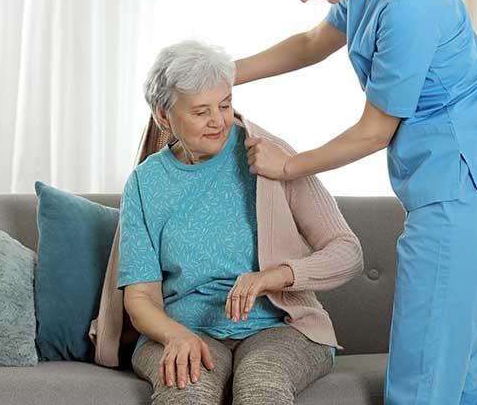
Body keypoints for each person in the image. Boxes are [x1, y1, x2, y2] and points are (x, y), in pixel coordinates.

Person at [236, 0, 477, 404]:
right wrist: (226, 74)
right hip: (462, 198)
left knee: (423, 386)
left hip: (460, 200)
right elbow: (310, 45)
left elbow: (375, 131)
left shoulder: (409, 3)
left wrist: (288, 166)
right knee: (461, 383)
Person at [118, 40, 363, 404]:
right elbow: (140, 296)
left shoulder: (269, 155)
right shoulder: (144, 183)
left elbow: (348, 253)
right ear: (164, 115)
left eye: (225, 104)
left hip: (280, 327)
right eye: (201, 112)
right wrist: (173, 335)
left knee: (260, 387)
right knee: (187, 392)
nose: (218, 121)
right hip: (184, 326)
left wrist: (272, 277)